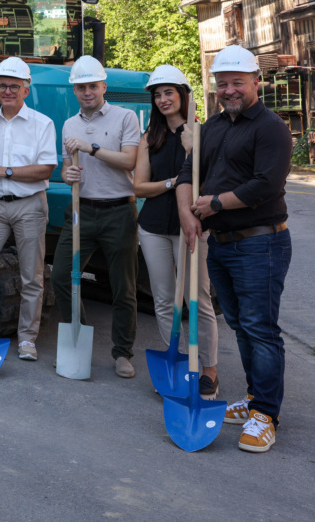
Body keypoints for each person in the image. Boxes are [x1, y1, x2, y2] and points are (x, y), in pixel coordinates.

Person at [176, 45, 292, 454]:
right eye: (222, 84)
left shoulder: (271, 127)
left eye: (237, 82)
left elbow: (267, 184)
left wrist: (217, 203)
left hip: (260, 242)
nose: (229, 90)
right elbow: (187, 175)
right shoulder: (213, 127)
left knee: (260, 329)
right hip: (222, 245)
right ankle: (255, 398)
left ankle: (266, 415)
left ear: (255, 82)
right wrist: (189, 214)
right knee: (242, 327)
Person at [51, 55, 141, 378]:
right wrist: (68, 173)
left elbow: (130, 161)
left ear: (104, 86)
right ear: (74, 90)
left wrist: (91, 149)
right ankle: (81, 338)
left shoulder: (125, 117)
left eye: (92, 86)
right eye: (81, 87)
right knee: (61, 275)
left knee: (123, 286)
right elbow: (65, 168)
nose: (87, 92)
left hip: (119, 210)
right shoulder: (69, 124)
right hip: (81, 210)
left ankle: (122, 353)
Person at [133, 65, 219, 396]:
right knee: (165, 300)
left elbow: (209, 182)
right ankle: (178, 361)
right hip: (153, 228)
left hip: (192, 227)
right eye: (157, 94)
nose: (163, 99)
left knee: (196, 298)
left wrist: (189, 150)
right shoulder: (148, 138)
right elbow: (139, 187)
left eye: (169, 92)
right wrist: (171, 183)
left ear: (183, 95)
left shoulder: (202, 133)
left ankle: (207, 367)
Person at [0, 57, 57, 362]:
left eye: (14, 86)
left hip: (29, 206)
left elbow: (45, 170)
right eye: (3, 86)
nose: (7, 91)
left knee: (32, 276)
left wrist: (4, 170)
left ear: (25, 90)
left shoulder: (42, 124)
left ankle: (27, 339)